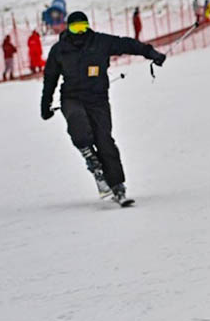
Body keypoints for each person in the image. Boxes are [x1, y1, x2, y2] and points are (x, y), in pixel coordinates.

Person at [39, 11, 167, 204]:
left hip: (98, 99)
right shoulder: (60, 50)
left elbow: (126, 44)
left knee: (105, 140)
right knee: (78, 125)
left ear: (88, 26)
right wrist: (45, 104)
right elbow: (50, 78)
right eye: (75, 28)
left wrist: (151, 53)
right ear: (69, 28)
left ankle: (117, 186)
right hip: (72, 97)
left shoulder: (100, 42)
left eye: (83, 27)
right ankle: (92, 160)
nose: (80, 32)